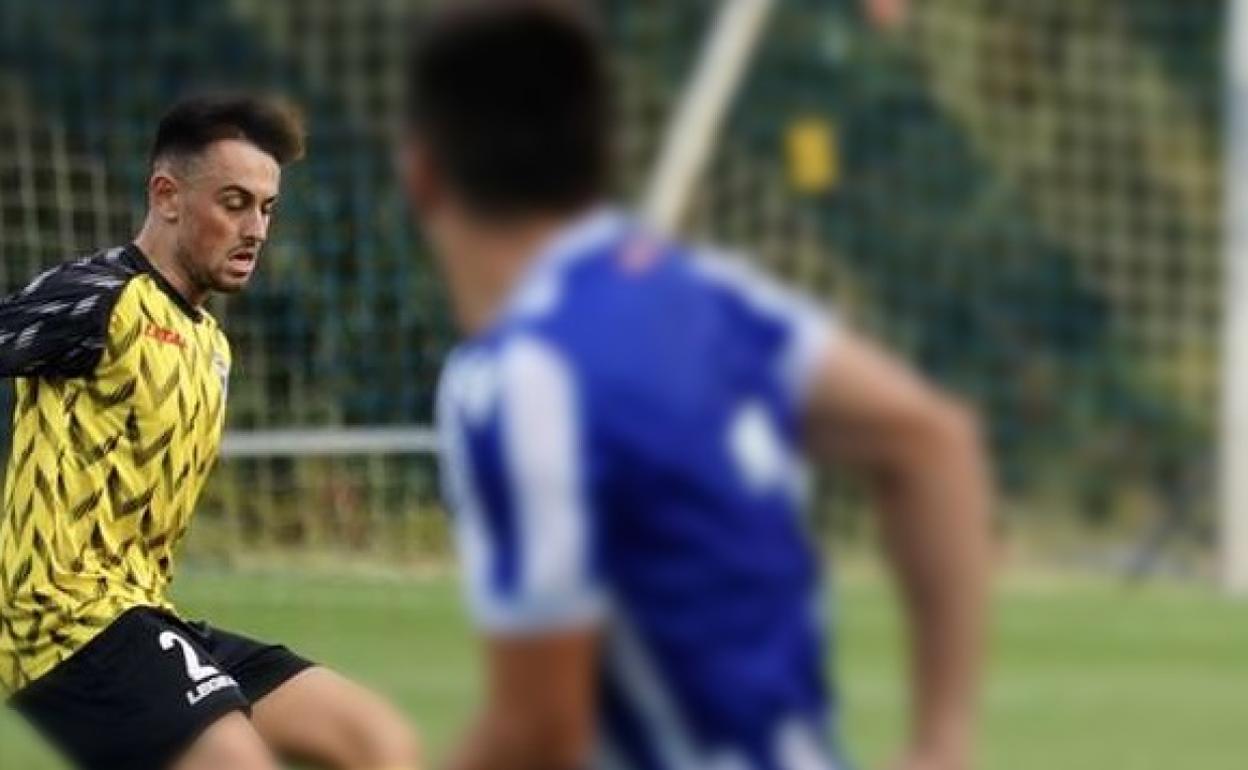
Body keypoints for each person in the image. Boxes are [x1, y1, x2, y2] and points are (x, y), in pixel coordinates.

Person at [402, 3, 991, 770]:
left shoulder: (519, 380)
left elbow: (538, 732)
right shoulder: (705, 297)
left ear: (421, 175)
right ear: (603, 154)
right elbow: (931, 438)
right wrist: (939, 743)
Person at [0, 93, 420, 770]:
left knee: (378, 743)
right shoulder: (99, 297)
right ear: (167, 196)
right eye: (233, 202)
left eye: (267, 208)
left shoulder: (210, 343)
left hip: (145, 615)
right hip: (61, 622)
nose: (255, 228)